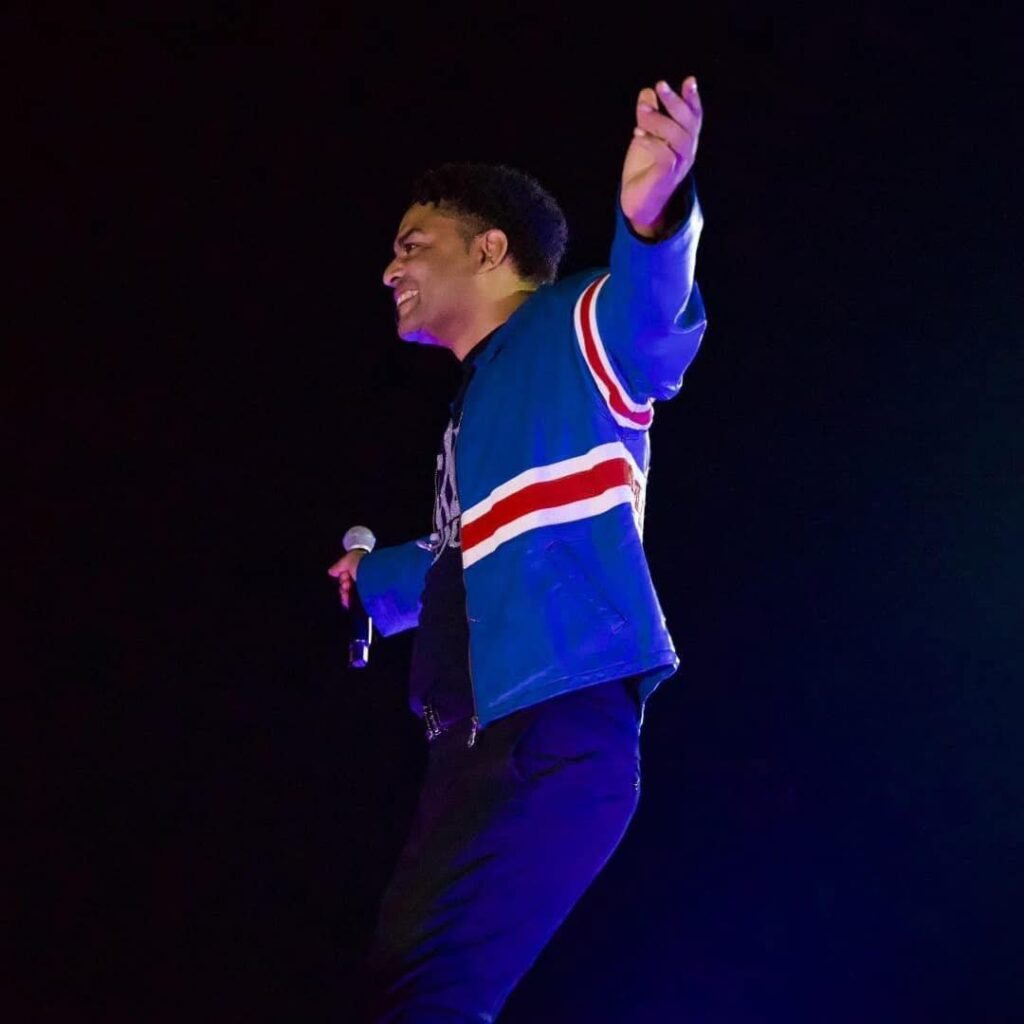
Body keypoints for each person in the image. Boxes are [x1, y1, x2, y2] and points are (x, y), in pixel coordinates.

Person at [329, 74, 707, 1023]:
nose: (389, 269)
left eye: (413, 245)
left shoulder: (570, 328)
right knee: (397, 989)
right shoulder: (482, 401)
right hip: (473, 746)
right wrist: (370, 580)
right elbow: (464, 549)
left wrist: (655, 218)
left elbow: (649, 323)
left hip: (553, 725)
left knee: (427, 993)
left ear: (490, 249)